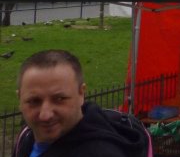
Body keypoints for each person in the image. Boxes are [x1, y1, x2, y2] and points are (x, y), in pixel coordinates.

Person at [15, 49, 149, 157]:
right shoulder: (27, 136)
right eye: (34, 101)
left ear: (81, 94)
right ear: (20, 98)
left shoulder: (101, 152)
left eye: (59, 99)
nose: (45, 115)